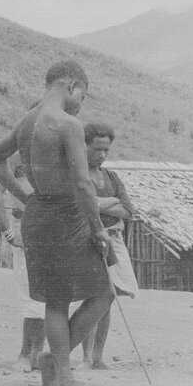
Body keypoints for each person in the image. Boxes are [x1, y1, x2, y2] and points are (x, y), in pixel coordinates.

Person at [0, 60, 114, 386]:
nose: (80, 103)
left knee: (56, 302)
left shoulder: (26, 121)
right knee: (103, 293)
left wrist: (25, 194)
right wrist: (98, 228)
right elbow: (84, 184)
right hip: (67, 215)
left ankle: (57, 368)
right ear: (72, 86)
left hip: (39, 213)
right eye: (82, 96)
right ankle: (62, 373)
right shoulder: (68, 123)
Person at [0, 151, 78, 373]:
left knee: (56, 294)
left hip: (61, 228)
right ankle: (26, 354)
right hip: (29, 225)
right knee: (32, 291)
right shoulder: (19, 157)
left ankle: (40, 353)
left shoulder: (66, 152)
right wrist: (8, 233)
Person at [79, 122, 139, 370]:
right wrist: (108, 202)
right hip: (88, 239)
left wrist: (97, 202)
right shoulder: (78, 175)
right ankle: (85, 357)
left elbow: (127, 210)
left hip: (114, 238)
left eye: (106, 150)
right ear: (83, 146)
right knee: (93, 296)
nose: (102, 155)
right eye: (97, 149)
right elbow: (81, 203)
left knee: (109, 297)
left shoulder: (111, 177)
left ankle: (98, 357)